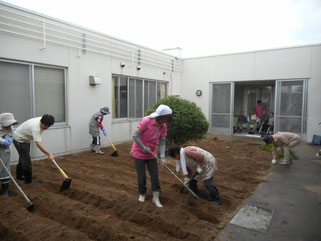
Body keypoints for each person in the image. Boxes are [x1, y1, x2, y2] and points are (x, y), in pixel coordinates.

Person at [130, 104, 172, 208]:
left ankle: (155, 197)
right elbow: (135, 135)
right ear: (160, 117)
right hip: (139, 152)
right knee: (142, 176)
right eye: (166, 118)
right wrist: (143, 147)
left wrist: (162, 157)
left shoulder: (163, 126)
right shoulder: (146, 121)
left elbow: (162, 142)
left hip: (151, 154)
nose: (167, 121)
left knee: (155, 176)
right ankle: (142, 194)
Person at [13, 114, 55, 184]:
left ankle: (19, 175)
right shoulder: (36, 128)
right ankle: (28, 181)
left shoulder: (44, 119)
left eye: (48, 126)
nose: (46, 127)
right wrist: (49, 154)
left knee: (23, 158)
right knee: (26, 160)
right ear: (41, 122)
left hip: (25, 139)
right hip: (19, 140)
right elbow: (38, 144)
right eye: (45, 125)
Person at [0, 113, 18, 197]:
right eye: (8, 123)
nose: (10, 125)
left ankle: (5, 191)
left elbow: (8, 142)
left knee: (5, 170)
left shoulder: (11, 130)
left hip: (4, 151)